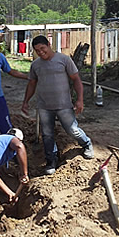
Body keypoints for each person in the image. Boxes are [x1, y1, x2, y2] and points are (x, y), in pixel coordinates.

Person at [21, 35, 93, 175]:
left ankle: (87, 144)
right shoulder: (36, 65)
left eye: (43, 48)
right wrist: (25, 101)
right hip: (44, 106)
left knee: (73, 129)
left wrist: (79, 100)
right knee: (47, 135)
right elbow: (31, 84)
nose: (41, 52)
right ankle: (51, 161)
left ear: (49, 44)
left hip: (64, 105)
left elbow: (76, 80)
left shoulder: (64, 60)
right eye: (37, 51)